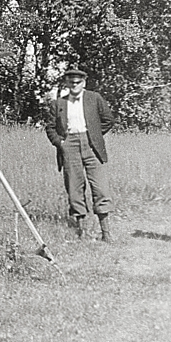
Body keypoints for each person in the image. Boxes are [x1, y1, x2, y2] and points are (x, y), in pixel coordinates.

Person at [44, 68, 117, 242]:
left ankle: (106, 233)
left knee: (100, 187)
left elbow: (108, 120)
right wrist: (61, 143)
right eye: (71, 82)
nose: (74, 85)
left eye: (78, 82)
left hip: (92, 146)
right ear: (67, 84)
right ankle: (81, 231)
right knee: (74, 187)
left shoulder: (94, 98)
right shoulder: (58, 104)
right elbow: (50, 127)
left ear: (84, 83)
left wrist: (95, 135)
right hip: (69, 145)